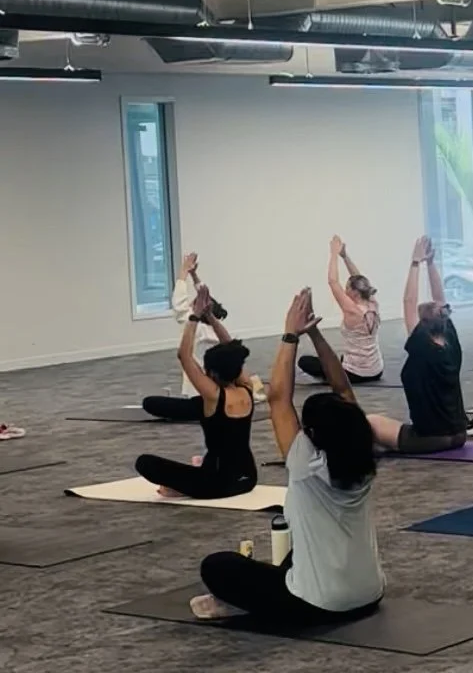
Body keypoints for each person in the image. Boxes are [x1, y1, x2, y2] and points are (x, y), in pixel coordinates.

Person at [192, 290, 383, 626]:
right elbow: (343, 390)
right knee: (299, 555)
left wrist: (290, 334)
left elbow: (279, 397)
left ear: (312, 433)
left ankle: (246, 603)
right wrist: (315, 334)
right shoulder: (362, 454)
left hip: (321, 605)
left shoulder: (306, 464)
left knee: (217, 565)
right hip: (369, 594)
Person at [135, 282, 257, 499]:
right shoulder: (247, 390)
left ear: (213, 375)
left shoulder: (213, 396)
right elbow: (233, 350)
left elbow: (184, 355)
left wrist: (194, 317)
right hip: (247, 478)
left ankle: (181, 487)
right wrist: (210, 317)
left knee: (144, 462)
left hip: (216, 484)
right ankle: (184, 484)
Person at [365, 236, 472, 455]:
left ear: (421, 325)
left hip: (430, 439)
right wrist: (431, 263)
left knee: (369, 421)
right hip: (460, 435)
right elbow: (440, 300)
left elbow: (408, 302)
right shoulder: (451, 343)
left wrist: (415, 263)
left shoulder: (423, 347)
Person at [141, 250, 226, 421]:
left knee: (149, 403)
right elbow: (205, 295)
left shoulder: (197, 330)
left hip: (201, 399)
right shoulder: (217, 331)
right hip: (222, 396)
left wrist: (183, 271)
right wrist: (194, 275)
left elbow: (179, 303)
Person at [299, 235, 384, 385]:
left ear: (355, 293)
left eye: (347, 289)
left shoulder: (353, 311)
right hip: (377, 370)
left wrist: (333, 254)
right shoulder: (373, 303)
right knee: (337, 358)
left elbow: (333, 282)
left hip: (355, 374)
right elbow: (359, 278)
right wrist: (344, 256)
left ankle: (333, 376)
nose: (344, 292)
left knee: (305, 362)